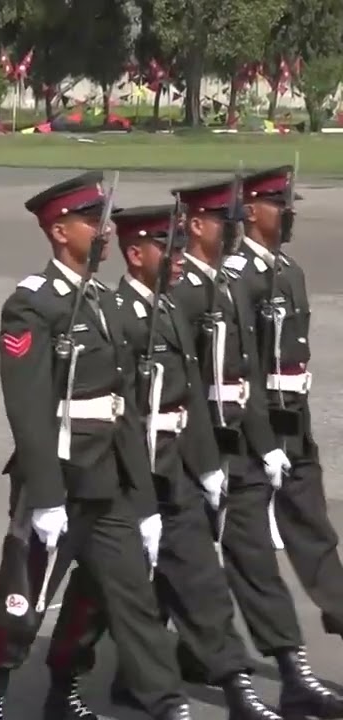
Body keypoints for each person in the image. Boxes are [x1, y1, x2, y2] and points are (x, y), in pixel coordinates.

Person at [0, 172, 192, 720]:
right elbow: (28, 407)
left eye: (105, 220)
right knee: (22, 604)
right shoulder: (32, 305)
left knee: (123, 600)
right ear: (60, 231)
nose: (104, 231)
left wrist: (144, 501)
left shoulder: (107, 304)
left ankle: (155, 702)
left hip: (108, 480)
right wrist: (44, 495)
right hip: (59, 479)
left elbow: (125, 407)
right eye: (93, 221)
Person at [42, 204, 282, 719]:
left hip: (173, 471)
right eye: (165, 248)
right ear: (135, 254)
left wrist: (208, 465)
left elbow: (190, 397)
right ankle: (66, 682)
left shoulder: (169, 309)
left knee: (201, 581)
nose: (177, 258)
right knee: (100, 598)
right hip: (125, 476)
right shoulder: (117, 311)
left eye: (178, 247)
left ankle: (235, 689)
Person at [167, 175, 343, 717]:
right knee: (155, 568)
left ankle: (290, 672)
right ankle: (121, 668)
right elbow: (194, 382)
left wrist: (270, 443)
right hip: (198, 447)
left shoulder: (271, 275)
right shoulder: (203, 287)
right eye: (275, 206)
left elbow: (255, 375)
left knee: (254, 556)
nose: (284, 215)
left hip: (263, 432)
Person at [225, 166, 343, 641]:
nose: (288, 212)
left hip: (295, 418)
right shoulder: (238, 277)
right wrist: (262, 437)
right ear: (250, 212)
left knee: (312, 525)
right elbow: (242, 368)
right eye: (277, 204)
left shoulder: (288, 271)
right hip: (253, 426)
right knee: (214, 542)